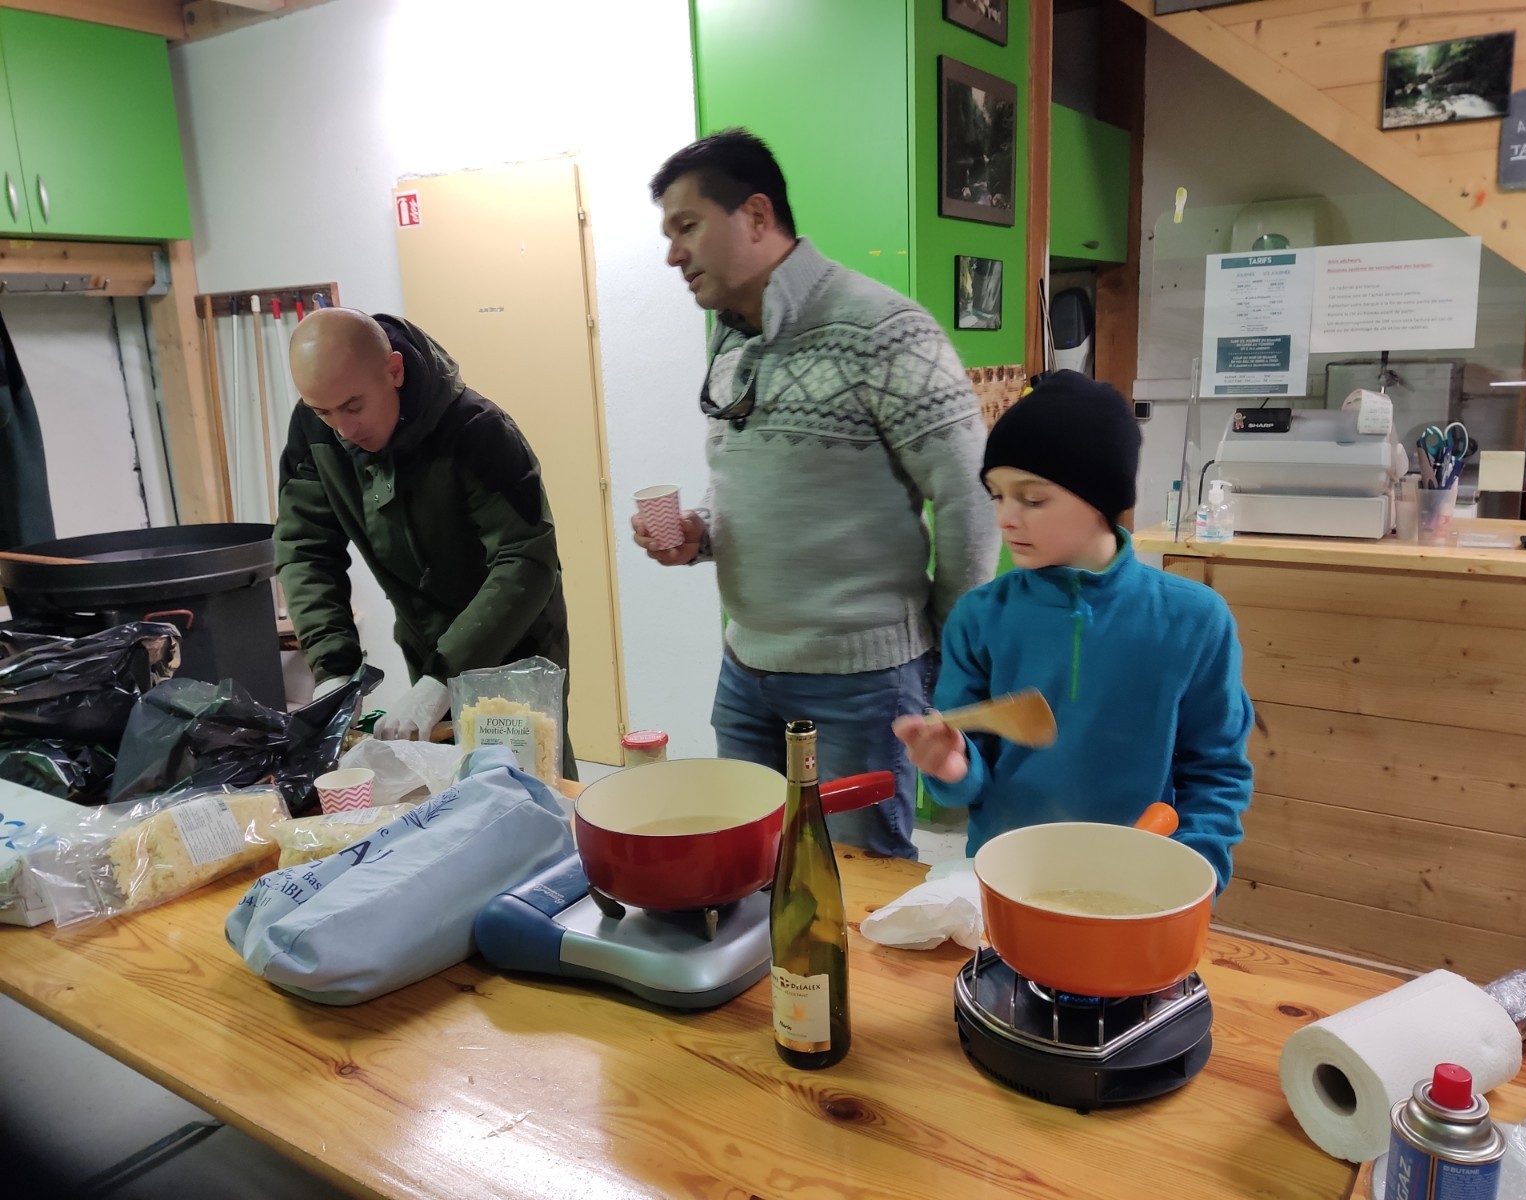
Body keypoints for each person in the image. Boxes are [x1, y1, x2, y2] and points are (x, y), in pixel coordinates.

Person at [636, 129, 997, 860]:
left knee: (853, 888)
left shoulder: (884, 330)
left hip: (862, 682)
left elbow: (968, 497)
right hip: (746, 670)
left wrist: (941, 653)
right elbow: (747, 476)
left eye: (687, 226)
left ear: (758, 217)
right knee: (746, 868)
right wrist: (701, 532)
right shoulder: (732, 339)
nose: (673, 253)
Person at [892, 373, 1254, 889]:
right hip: (1005, 879)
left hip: (1137, 884)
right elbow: (969, 775)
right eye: (996, 496)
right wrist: (951, 766)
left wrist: (1196, 875)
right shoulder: (980, 616)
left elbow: (1216, 772)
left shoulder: (1194, 619)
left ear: (1100, 498)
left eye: (1032, 499)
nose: (1006, 519)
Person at [275, 306, 575, 778]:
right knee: (449, 792)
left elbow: (525, 558)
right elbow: (304, 547)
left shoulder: (479, 431)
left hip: (512, 646)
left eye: (354, 406)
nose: (344, 429)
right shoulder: (318, 429)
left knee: (532, 790)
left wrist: (445, 674)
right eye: (323, 412)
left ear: (394, 370)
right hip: (426, 644)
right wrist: (333, 668)